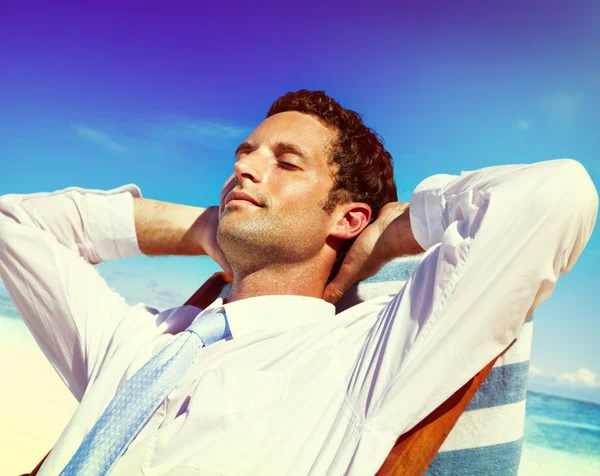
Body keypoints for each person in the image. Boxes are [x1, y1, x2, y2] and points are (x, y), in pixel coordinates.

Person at [0, 89, 597, 476]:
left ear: (347, 217)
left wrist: (395, 233)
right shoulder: (135, 342)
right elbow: (13, 223)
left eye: (285, 163)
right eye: (245, 154)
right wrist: (205, 227)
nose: (244, 167)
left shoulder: (367, 361)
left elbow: (556, 197)